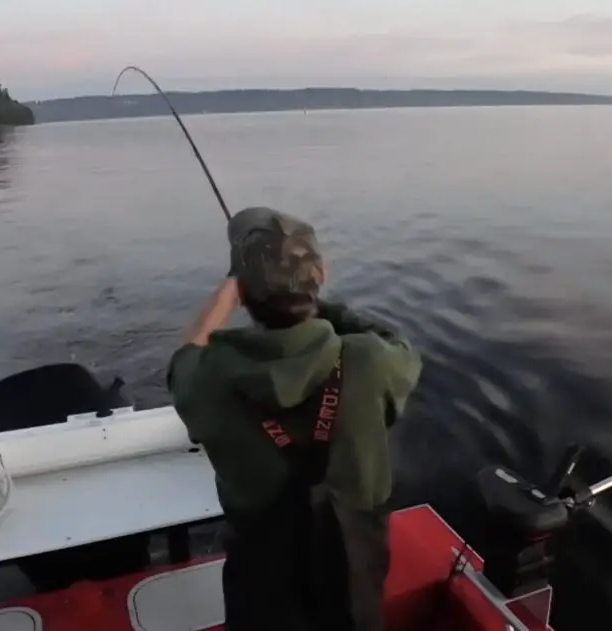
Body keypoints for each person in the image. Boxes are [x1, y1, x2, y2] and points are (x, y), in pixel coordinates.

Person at [166, 206, 423, 631]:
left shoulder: (209, 377)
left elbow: (184, 356)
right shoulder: (370, 361)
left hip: (261, 575)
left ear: (242, 294)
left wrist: (227, 296)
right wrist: (319, 306)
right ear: (319, 275)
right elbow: (397, 343)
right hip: (353, 566)